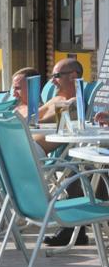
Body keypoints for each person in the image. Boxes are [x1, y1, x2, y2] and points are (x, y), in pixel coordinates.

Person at [36, 58, 88, 247]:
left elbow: (39, 121)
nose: (52, 81)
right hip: (39, 150)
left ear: (73, 76)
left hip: (40, 153)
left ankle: (75, 227)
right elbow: (33, 116)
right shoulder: (57, 99)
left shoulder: (74, 103)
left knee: (75, 172)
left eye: (57, 76)